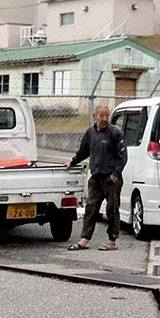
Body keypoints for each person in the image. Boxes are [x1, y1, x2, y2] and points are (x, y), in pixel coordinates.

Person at [66, 104, 126, 251]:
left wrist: (115, 174)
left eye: (107, 116)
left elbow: (122, 156)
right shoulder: (90, 133)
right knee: (91, 208)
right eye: (101, 116)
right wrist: (73, 162)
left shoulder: (115, 133)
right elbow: (83, 151)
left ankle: (112, 240)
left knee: (112, 209)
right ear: (95, 117)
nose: (104, 119)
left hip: (111, 179)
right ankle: (85, 239)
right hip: (96, 178)